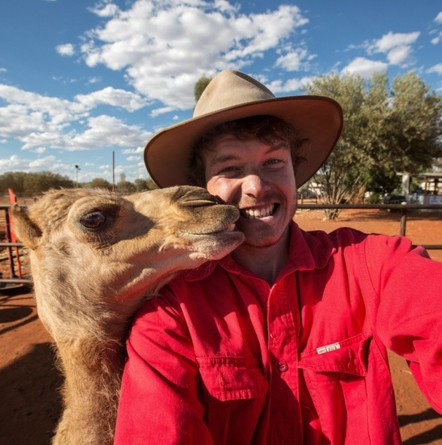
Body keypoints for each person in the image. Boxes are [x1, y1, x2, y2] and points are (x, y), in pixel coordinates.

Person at [114, 70, 442, 444]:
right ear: (201, 188)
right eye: (230, 169)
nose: (256, 186)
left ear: (294, 171)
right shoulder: (173, 310)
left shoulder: (372, 265)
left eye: (273, 162)